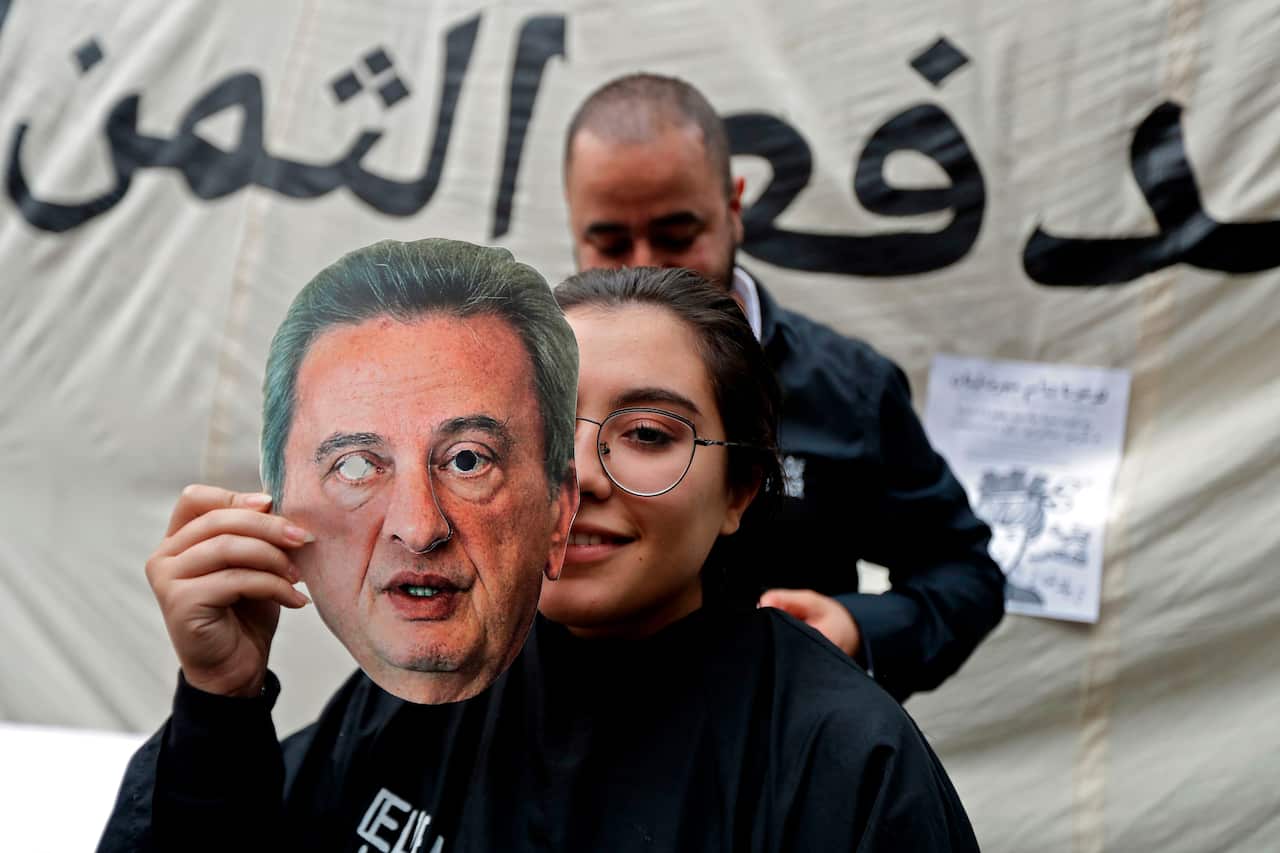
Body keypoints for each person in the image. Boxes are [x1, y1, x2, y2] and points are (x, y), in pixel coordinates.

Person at [100, 265, 980, 852]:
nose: (576, 476)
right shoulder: (422, 683)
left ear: (741, 489)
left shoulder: (843, 762)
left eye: (644, 433)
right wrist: (219, 704)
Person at [562, 72, 1005, 701]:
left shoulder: (848, 390)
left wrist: (856, 628)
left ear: (735, 207)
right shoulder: (521, 379)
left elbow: (964, 572)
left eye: (677, 236)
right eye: (609, 243)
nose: (645, 266)